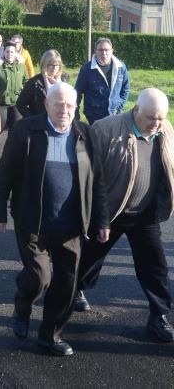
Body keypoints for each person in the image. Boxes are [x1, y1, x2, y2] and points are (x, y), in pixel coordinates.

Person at [0, 83, 109, 356]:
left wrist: (102, 222)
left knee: (67, 283)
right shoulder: (26, 130)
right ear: (46, 105)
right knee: (39, 277)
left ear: (76, 107)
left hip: (71, 227)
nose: (64, 111)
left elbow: (99, 183)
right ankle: (23, 306)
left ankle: (50, 336)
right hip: (33, 222)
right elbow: (5, 173)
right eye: (58, 105)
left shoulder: (86, 135)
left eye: (69, 106)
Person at [74, 88, 174, 343]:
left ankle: (158, 316)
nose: (156, 123)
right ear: (136, 110)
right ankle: (74, 291)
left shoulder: (165, 129)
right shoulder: (105, 129)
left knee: (155, 266)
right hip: (112, 211)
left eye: (161, 117)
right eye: (151, 117)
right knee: (88, 257)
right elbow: (92, 177)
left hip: (145, 213)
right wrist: (100, 217)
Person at [75, 37, 130, 125]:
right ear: (95, 51)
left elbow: (126, 88)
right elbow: (78, 92)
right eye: (100, 50)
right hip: (94, 116)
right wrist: (75, 113)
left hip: (115, 114)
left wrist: (119, 105)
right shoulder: (87, 69)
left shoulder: (120, 67)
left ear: (112, 51)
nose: (104, 53)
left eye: (106, 50)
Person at [0, 41, 27, 136]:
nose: (9, 54)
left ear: (15, 54)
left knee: (16, 127)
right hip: (1, 102)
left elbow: (25, 80)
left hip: (16, 102)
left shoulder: (21, 67)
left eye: (12, 52)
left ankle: (11, 149)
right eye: (7, 52)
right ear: (4, 53)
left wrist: (22, 90)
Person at [17, 50, 66, 118]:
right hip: (39, 124)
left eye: (57, 65)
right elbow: (20, 104)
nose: (55, 68)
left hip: (58, 123)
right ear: (44, 65)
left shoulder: (62, 82)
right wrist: (33, 119)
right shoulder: (34, 83)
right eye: (51, 65)